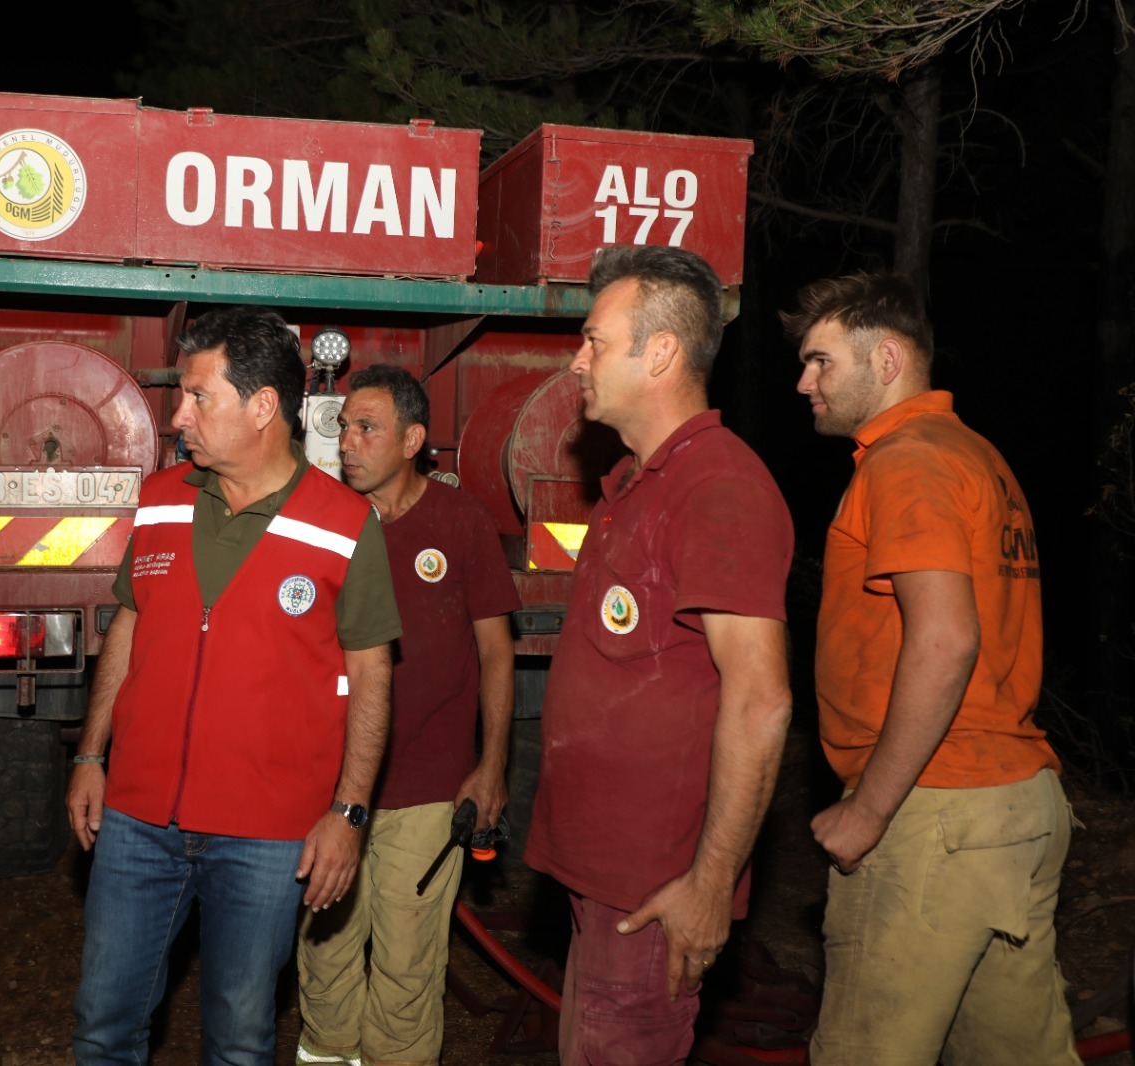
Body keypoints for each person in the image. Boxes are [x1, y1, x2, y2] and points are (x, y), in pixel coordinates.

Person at [66, 306, 402, 1066]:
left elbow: (372, 675)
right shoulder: (160, 498)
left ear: (262, 407)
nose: (177, 414)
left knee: (241, 1040)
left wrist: (349, 813)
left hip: (268, 835)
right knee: (103, 1028)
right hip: (137, 820)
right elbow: (127, 627)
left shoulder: (344, 524)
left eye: (197, 397)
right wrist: (90, 756)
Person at [785, 273, 1078, 1065]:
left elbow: (946, 642)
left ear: (886, 361)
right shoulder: (976, 456)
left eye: (820, 362)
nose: (802, 382)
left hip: (934, 815)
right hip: (1013, 805)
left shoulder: (905, 461)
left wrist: (870, 810)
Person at [524, 246, 794, 1065]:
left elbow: (761, 702)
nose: (578, 360)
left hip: (654, 899)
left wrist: (711, 886)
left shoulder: (719, 490)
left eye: (595, 341)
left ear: (663, 353)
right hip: (600, 887)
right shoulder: (636, 485)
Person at [297, 365, 520, 1066]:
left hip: (430, 787)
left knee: (406, 965)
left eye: (368, 428)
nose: (348, 443)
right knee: (323, 960)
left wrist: (490, 767)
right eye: (342, 428)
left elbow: (497, 655)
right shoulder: (322, 522)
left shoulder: (461, 522)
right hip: (328, 792)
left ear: (413, 439)